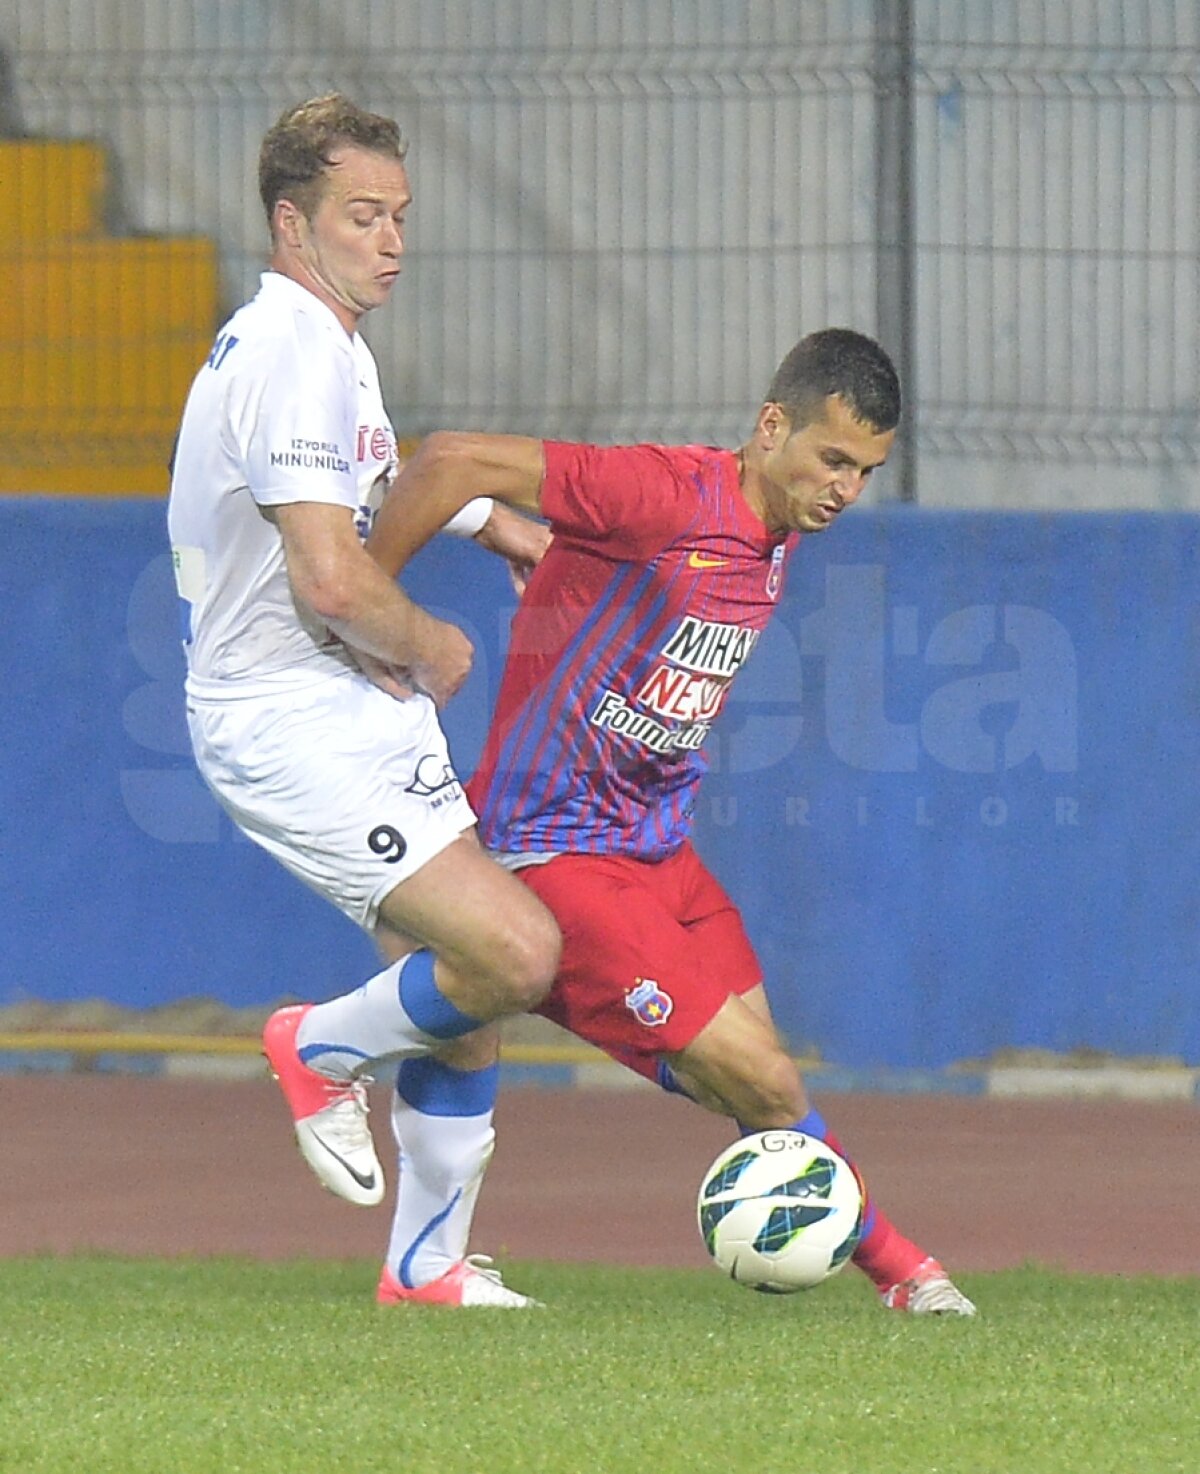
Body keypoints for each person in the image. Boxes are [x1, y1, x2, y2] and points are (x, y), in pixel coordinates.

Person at [366, 327, 977, 1315]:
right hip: (557, 851)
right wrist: (366, 600)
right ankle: (906, 1272)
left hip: (659, 852)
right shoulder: (662, 493)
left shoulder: (773, 535)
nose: (845, 489)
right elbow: (448, 460)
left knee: (759, 1094)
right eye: (832, 459)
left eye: (864, 471)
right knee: (768, 1088)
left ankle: (423, 1257)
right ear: (770, 425)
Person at [166, 93, 562, 1308]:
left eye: (399, 216)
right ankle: (314, 1045)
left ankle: (427, 1265)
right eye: (361, 216)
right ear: (293, 224)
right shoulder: (290, 352)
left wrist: (501, 525)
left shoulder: (328, 344)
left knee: (458, 991)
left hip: (334, 696)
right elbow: (332, 574)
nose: (390, 240)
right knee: (516, 951)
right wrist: (437, 642)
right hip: (288, 712)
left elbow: (381, 485)